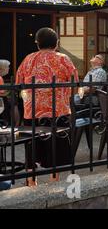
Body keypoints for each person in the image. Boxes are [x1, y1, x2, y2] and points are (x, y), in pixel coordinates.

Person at [16, 27, 79, 186]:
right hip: (57, 110)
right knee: (55, 147)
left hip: (33, 111)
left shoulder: (28, 59)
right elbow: (75, 83)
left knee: (32, 147)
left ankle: (31, 181)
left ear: (37, 43)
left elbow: (18, 83)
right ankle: (53, 181)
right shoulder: (63, 59)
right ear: (56, 43)